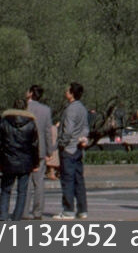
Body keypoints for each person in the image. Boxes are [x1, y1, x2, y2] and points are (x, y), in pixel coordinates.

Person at [0, 101, 40, 221]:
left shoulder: (4, 122)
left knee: (5, 189)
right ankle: (17, 217)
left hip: (7, 160)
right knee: (22, 191)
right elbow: (35, 145)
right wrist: (36, 163)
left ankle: (2, 216)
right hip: (25, 161)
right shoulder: (31, 123)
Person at [59, 83, 91, 219]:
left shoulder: (70, 109)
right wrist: (82, 139)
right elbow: (85, 128)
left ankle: (68, 210)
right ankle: (82, 209)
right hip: (78, 148)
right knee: (79, 180)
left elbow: (68, 130)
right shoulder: (83, 108)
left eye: (67, 90)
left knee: (68, 180)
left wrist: (61, 142)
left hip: (69, 149)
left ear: (71, 93)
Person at [25, 85, 55, 218]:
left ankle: (24, 210)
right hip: (40, 149)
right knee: (39, 182)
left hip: (25, 149)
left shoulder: (24, 108)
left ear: (30, 93)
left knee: (25, 182)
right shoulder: (46, 110)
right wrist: (50, 150)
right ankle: (38, 211)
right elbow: (48, 132)